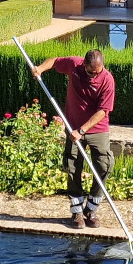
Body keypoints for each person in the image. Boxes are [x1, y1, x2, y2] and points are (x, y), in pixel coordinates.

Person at [33, 47, 114, 229]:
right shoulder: (75, 65)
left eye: (97, 72)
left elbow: (103, 111)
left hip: (96, 129)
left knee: (104, 165)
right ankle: (77, 212)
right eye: (90, 72)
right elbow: (54, 61)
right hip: (73, 127)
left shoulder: (107, 79)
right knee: (72, 166)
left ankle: (91, 209)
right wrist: (40, 68)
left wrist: (82, 130)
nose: (93, 76)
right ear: (84, 64)